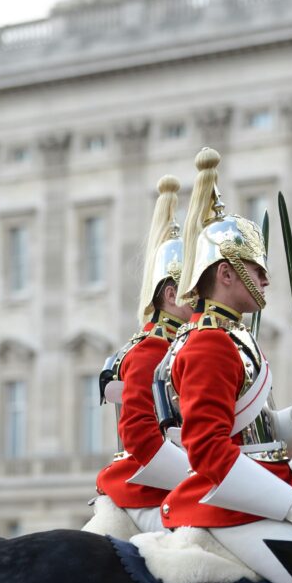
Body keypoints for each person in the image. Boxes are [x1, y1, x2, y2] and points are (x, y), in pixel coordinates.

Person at [155, 147, 292, 583]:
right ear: (228, 275)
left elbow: (254, 432)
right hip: (231, 508)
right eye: (257, 268)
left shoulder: (233, 336)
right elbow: (210, 451)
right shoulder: (211, 342)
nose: (267, 277)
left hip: (256, 491)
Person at [91, 175, 195, 535]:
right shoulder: (153, 350)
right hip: (146, 490)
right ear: (169, 296)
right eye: (192, 294)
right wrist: (205, 476)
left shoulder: (177, 346)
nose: (201, 303)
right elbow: (139, 435)